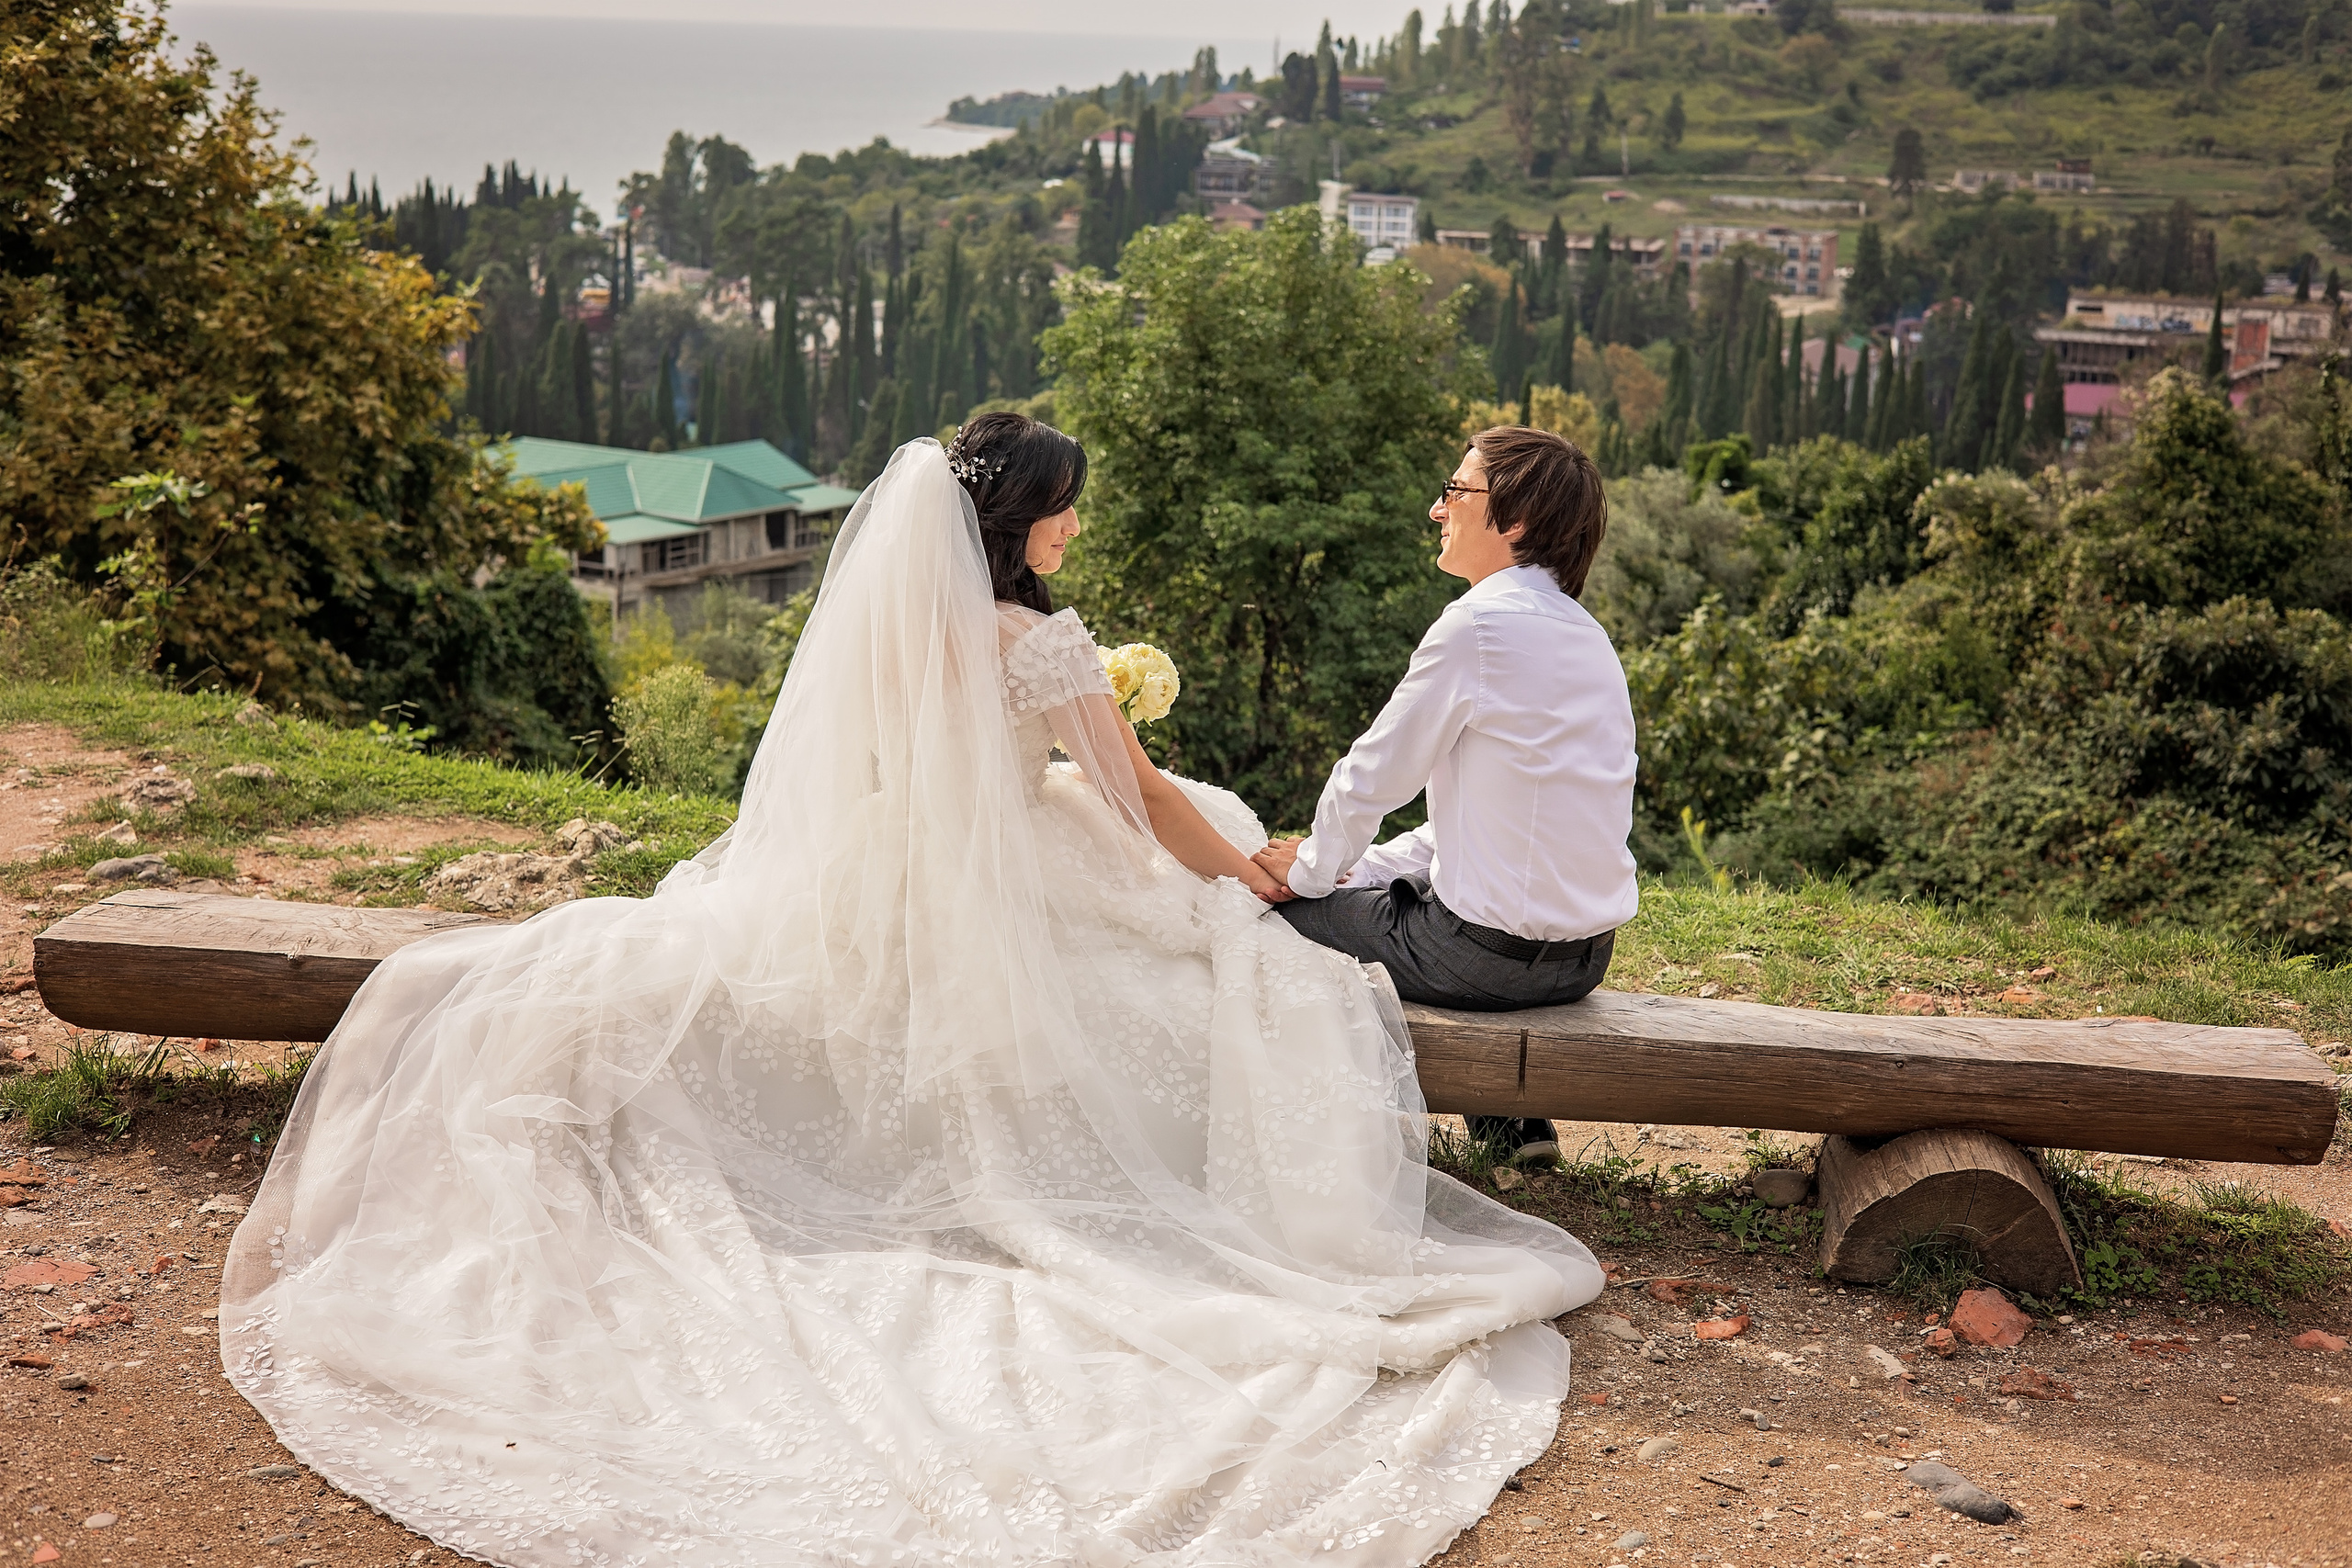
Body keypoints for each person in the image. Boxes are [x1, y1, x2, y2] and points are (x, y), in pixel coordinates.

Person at [222, 417, 1602, 1568]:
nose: (1073, 527)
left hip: (889, 853)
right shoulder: (1042, 640)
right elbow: (1132, 795)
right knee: (1211, 951)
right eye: (1061, 510)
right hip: (1024, 857)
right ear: (1015, 520)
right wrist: (1246, 874)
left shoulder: (908, 618)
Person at [1253, 426, 1638, 1162]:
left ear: (1516, 520)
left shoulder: (1478, 627)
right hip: (1585, 959)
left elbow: (1373, 774)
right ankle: (1509, 1121)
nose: (1438, 508)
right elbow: (1486, 829)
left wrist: (1306, 874)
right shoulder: (1590, 639)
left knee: (1277, 924)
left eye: (1456, 490)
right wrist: (1351, 868)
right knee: (1384, 899)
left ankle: (1311, 1141)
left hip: (1488, 963)